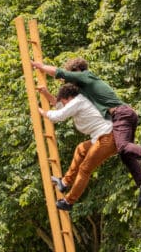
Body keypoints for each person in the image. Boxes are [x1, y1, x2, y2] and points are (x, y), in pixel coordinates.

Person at [33, 57, 141, 206]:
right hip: (120, 117)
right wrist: (47, 94)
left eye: (73, 74)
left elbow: (61, 76)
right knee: (124, 153)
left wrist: (40, 66)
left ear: (78, 70)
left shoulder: (86, 76)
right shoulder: (85, 91)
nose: (72, 80)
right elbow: (64, 106)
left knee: (121, 148)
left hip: (120, 115)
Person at [39, 83, 116, 212]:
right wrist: (46, 94)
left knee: (84, 169)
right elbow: (61, 108)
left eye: (64, 102)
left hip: (107, 138)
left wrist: (40, 111)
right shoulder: (78, 101)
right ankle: (64, 182)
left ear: (69, 98)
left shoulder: (78, 101)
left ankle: (68, 202)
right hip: (102, 137)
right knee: (81, 149)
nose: (64, 106)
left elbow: (58, 115)